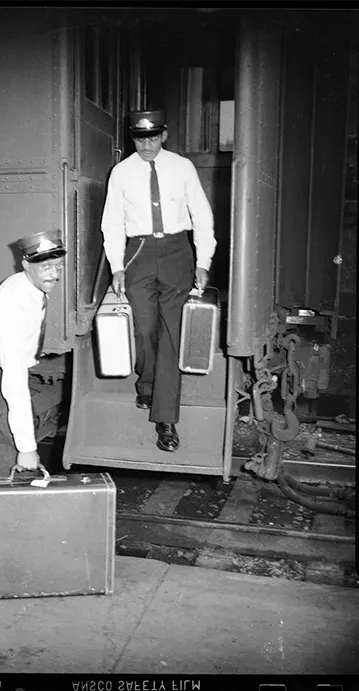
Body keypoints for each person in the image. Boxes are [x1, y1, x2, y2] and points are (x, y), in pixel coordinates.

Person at [100, 109, 216, 452]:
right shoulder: (121, 173)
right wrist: (117, 266)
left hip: (178, 251)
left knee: (171, 335)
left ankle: (165, 419)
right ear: (132, 138)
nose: (147, 145)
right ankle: (147, 383)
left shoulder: (182, 167)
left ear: (164, 136)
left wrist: (203, 260)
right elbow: (112, 221)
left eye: (153, 138)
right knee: (144, 328)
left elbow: (202, 215)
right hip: (139, 253)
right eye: (140, 138)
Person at [0, 230, 66, 476]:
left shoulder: (26, 285)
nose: (54, 274)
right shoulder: (12, 309)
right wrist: (26, 447)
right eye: (46, 267)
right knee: (15, 466)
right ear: (27, 265)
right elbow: (13, 380)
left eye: (58, 266)